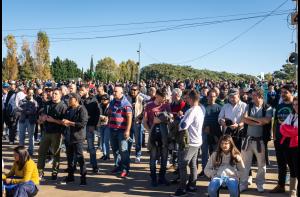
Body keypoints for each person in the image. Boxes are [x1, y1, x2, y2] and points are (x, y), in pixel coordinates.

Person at [239, 88, 272, 193]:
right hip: (248, 139)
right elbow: (243, 119)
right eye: (251, 95)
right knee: (245, 163)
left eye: (254, 95)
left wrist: (251, 119)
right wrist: (257, 121)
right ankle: (243, 183)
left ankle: (260, 184)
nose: (251, 97)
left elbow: (266, 121)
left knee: (261, 164)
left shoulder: (268, 107)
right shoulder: (249, 106)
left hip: (261, 141)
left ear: (260, 96)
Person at [173, 90, 205, 196]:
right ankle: (192, 185)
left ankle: (182, 189)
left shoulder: (191, 110)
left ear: (191, 99)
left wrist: (179, 120)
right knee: (193, 165)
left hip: (189, 142)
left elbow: (184, 126)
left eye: (187, 98)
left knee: (182, 164)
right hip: (197, 141)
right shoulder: (201, 109)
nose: (186, 100)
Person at [37, 88, 67, 181]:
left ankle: (54, 172)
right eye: (53, 93)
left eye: (56, 94)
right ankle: (40, 172)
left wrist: (53, 120)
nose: (53, 95)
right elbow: (41, 116)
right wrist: (42, 119)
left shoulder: (63, 106)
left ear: (60, 95)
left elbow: (65, 122)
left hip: (57, 133)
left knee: (56, 154)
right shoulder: (47, 104)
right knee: (41, 153)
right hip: (46, 132)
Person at [143, 88, 172, 187]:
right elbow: (144, 121)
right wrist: (150, 131)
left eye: (165, 97)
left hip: (164, 136)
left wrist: (161, 120)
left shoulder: (166, 105)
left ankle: (162, 177)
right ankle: (154, 178)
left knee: (164, 158)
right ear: (157, 96)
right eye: (162, 97)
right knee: (153, 157)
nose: (164, 99)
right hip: (154, 136)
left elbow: (170, 119)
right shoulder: (149, 106)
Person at [270, 85, 295, 193]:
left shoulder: (295, 106)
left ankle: (294, 188)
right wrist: (274, 136)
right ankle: (281, 185)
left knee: (293, 165)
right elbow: (275, 121)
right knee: (281, 164)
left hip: (292, 140)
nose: (283, 94)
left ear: (291, 93)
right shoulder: (279, 106)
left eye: (285, 92)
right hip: (279, 139)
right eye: (282, 92)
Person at [60, 93, 88, 186]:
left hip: (78, 138)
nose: (68, 101)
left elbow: (82, 124)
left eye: (70, 99)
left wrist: (70, 123)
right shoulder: (68, 109)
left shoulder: (82, 109)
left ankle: (83, 178)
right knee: (70, 158)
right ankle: (70, 176)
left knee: (80, 158)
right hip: (68, 137)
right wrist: (64, 123)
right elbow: (65, 120)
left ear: (76, 100)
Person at [108, 85, 133, 178]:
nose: (114, 93)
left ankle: (125, 169)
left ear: (121, 93)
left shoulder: (126, 104)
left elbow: (130, 117)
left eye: (115, 91)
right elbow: (110, 113)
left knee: (123, 150)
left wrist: (127, 130)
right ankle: (118, 166)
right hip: (112, 129)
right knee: (115, 150)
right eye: (113, 91)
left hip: (122, 130)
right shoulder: (112, 102)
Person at [278, 96, 298, 197]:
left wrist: (288, 129)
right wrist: (290, 129)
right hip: (288, 145)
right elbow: (281, 128)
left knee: (297, 169)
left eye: (297, 104)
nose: (295, 106)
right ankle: (292, 192)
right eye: (294, 104)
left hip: (296, 146)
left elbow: (296, 131)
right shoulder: (292, 114)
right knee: (292, 169)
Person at [200, 89, 222, 177]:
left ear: (216, 97)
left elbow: (220, 121)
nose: (212, 98)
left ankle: (215, 170)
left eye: (214, 96)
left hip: (216, 133)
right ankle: (204, 170)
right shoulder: (203, 107)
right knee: (204, 153)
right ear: (207, 96)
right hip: (204, 133)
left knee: (215, 153)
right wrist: (204, 128)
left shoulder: (219, 107)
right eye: (210, 96)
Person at [79, 84, 100, 173]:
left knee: (91, 147)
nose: (81, 92)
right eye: (80, 90)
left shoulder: (93, 100)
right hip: (80, 127)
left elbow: (97, 114)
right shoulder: (78, 100)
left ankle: (94, 166)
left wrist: (94, 126)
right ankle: (78, 166)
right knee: (78, 147)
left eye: (82, 90)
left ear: (87, 90)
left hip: (89, 126)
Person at [16, 88, 39, 156]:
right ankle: (21, 152)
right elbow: (18, 110)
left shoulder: (35, 102)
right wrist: (26, 111)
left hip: (31, 121)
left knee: (31, 137)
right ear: (26, 92)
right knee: (21, 137)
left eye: (32, 93)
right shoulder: (22, 101)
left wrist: (25, 110)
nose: (31, 94)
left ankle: (31, 151)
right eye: (29, 92)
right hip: (22, 120)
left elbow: (35, 110)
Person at [127, 84, 146, 163]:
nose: (133, 91)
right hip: (129, 122)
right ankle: (127, 155)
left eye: (135, 90)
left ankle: (138, 155)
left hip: (137, 122)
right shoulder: (127, 98)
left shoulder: (141, 99)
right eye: (132, 89)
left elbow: (144, 110)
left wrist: (140, 119)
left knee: (138, 141)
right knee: (128, 139)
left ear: (138, 91)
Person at [97, 94, 111, 161]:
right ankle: (104, 154)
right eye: (102, 99)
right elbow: (96, 114)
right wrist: (100, 116)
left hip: (108, 124)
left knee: (106, 140)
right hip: (101, 124)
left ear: (108, 100)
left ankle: (107, 155)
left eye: (105, 99)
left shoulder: (110, 106)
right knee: (102, 140)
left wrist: (106, 117)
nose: (103, 100)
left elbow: (111, 115)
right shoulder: (99, 105)